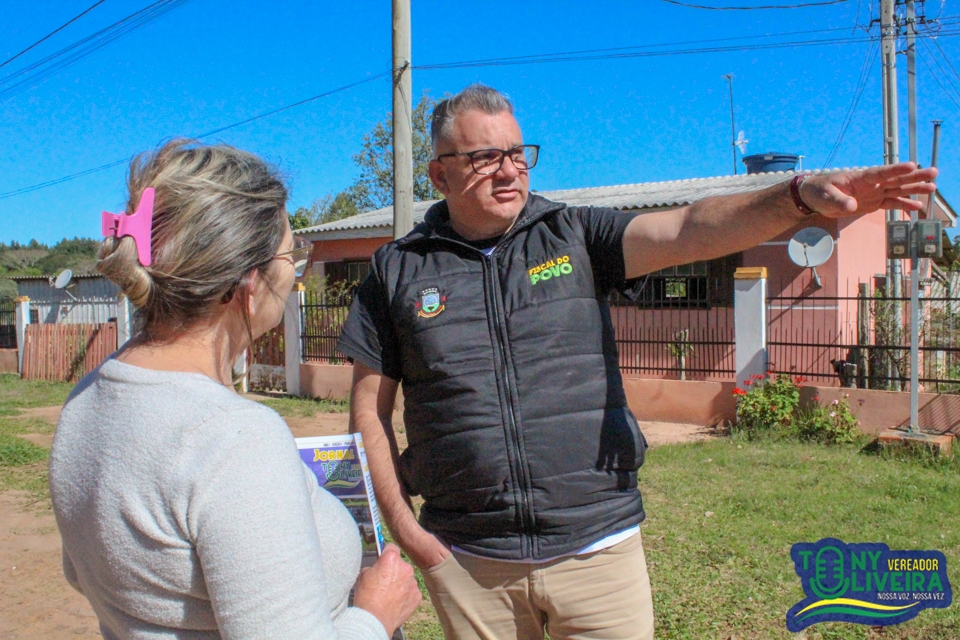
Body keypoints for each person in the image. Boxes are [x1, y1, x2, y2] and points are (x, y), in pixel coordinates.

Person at [337, 85, 937, 640]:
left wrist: (795, 197)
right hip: (468, 558)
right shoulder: (398, 271)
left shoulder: (572, 235)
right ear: (441, 173)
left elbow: (688, 226)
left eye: (518, 153)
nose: (510, 169)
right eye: (485, 156)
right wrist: (407, 530)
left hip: (599, 546)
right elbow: (368, 409)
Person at [49, 139, 421, 640]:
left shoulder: (86, 399)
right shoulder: (234, 439)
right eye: (293, 254)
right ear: (250, 282)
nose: (296, 271)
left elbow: (83, 573)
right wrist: (376, 614)